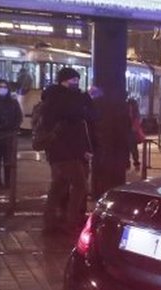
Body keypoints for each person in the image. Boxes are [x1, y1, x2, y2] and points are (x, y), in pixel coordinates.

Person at [41, 67, 95, 233]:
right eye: (73, 79)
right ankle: (70, 222)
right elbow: (72, 115)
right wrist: (87, 97)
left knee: (58, 188)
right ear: (64, 80)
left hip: (59, 152)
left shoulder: (58, 96)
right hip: (65, 153)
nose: (76, 82)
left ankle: (50, 223)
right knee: (80, 186)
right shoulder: (60, 97)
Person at [0, 79, 23, 191]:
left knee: (8, 160)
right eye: (0, 86)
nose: (2, 89)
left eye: (4, 87)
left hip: (9, 134)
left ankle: (7, 182)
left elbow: (19, 116)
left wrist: (14, 128)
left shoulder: (13, 101)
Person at [127, 98, 145, 171]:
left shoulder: (135, 113)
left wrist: (134, 127)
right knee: (128, 149)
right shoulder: (129, 111)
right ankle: (128, 164)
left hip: (132, 133)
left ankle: (136, 163)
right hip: (128, 131)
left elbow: (137, 122)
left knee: (133, 149)